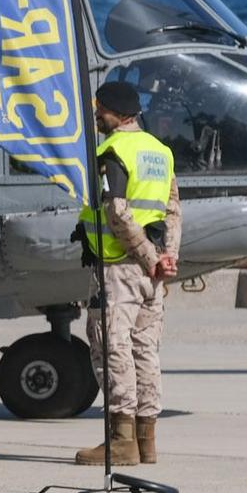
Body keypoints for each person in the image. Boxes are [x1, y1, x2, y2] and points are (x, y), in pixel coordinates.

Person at [74, 79, 180, 467]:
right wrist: (166, 257)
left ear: (113, 113)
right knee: (145, 352)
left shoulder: (112, 152)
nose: (97, 116)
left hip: (119, 266)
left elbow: (117, 212)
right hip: (151, 274)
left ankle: (120, 440)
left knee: (110, 348)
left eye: (99, 109)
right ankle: (145, 440)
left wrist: (148, 255)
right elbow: (172, 211)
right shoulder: (159, 151)